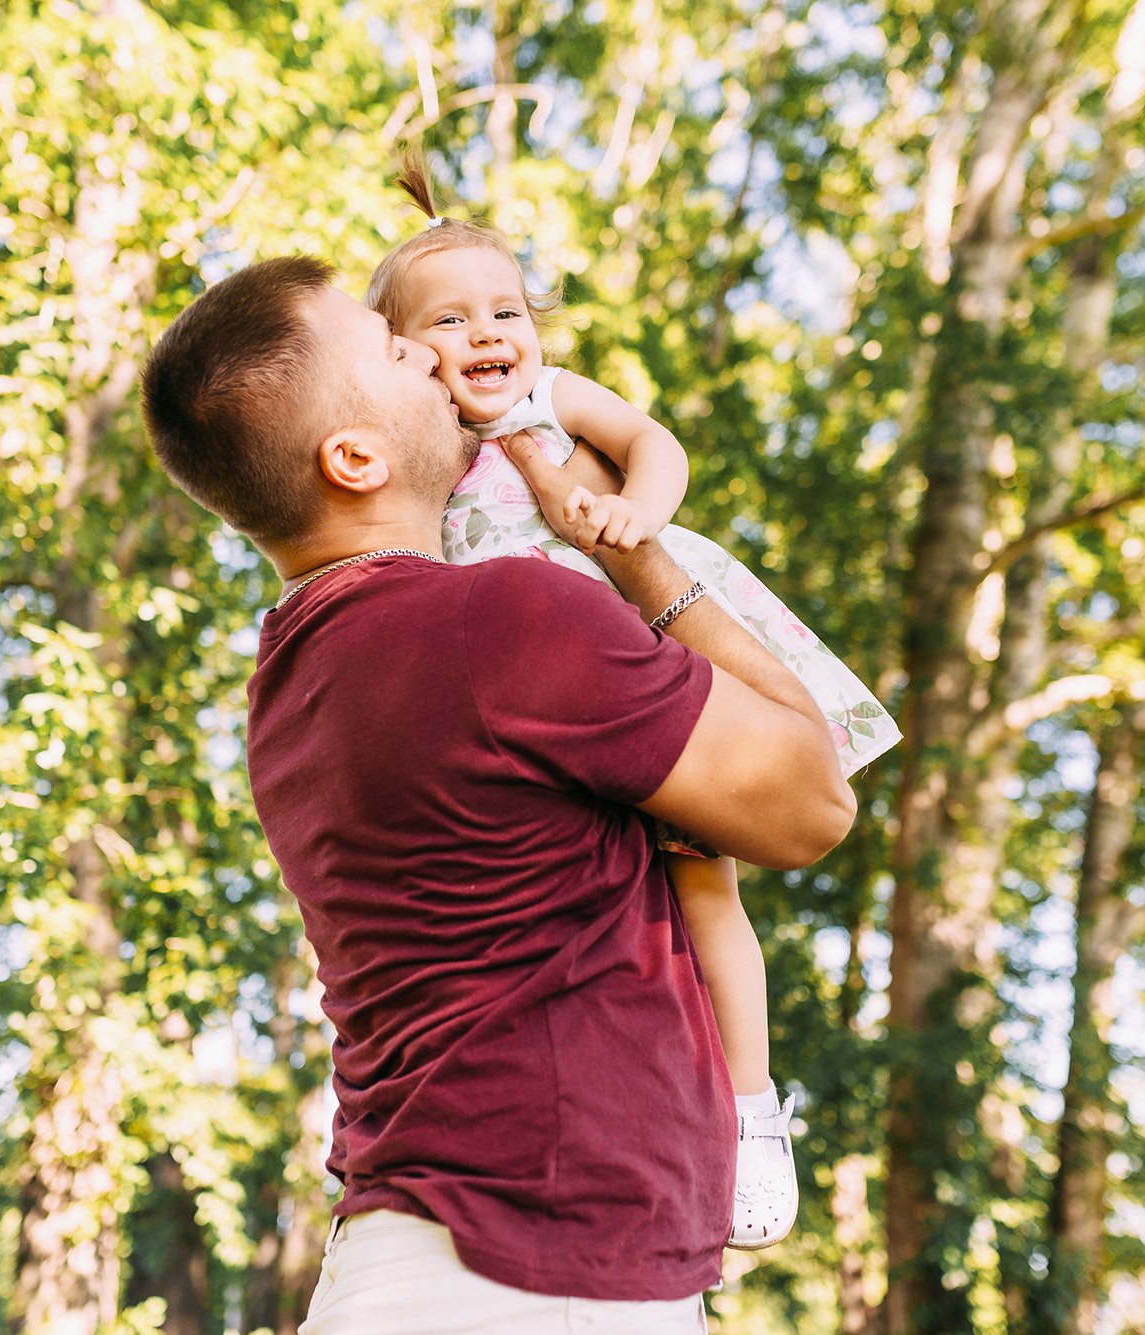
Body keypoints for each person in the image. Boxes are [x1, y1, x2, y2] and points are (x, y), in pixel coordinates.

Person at [140, 254, 856, 1333]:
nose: (434, 354)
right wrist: (629, 549)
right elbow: (809, 801)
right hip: (539, 1274)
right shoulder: (501, 619)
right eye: (394, 349)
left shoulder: (289, 679)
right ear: (353, 456)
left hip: (429, 1258)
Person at [365, 162, 899, 1248]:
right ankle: (630, 1116)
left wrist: (630, 512)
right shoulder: (430, 445)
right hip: (541, 706)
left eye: (505, 310)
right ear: (404, 354)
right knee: (592, 905)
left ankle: (751, 1109)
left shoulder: (548, 398)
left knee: (705, 887)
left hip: (643, 648)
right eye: (450, 321)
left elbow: (658, 443)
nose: (487, 334)